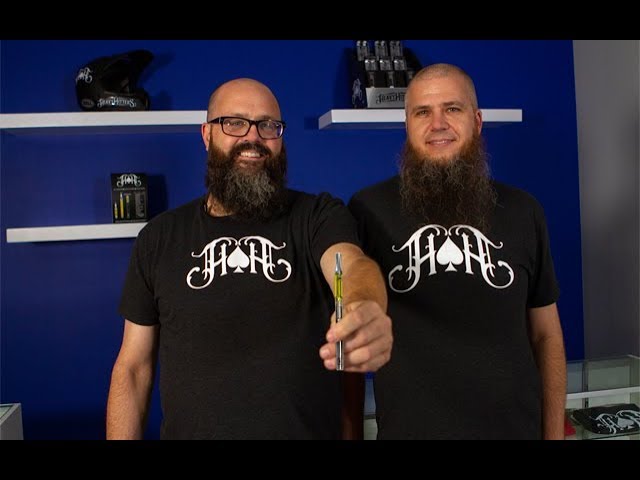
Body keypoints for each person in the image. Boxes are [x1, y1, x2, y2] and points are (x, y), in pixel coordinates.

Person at [106, 78, 392, 440]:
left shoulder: (317, 216)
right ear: (207, 134)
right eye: (235, 123)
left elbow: (348, 265)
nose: (253, 137)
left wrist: (364, 303)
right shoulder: (159, 237)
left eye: (268, 125)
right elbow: (133, 368)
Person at [348, 63, 567, 440]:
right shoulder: (368, 209)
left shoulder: (523, 210)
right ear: (407, 125)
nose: (438, 124)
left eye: (452, 108)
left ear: (477, 121)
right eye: (422, 112)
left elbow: (546, 335)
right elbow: (351, 346)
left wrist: (553, 435)